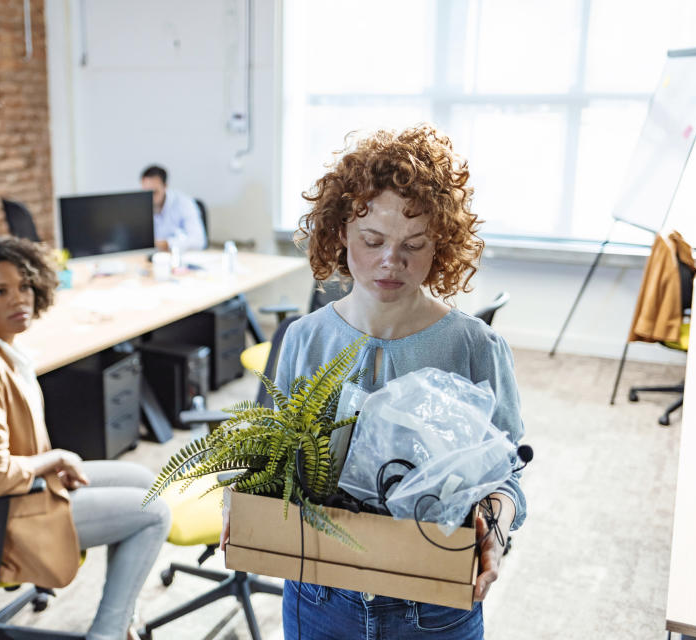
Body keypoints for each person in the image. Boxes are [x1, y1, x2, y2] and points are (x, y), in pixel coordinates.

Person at [226, 125, 527, 639]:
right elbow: (273, 455)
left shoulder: (474, 347)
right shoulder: (304, 339)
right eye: (372, 241)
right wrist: (242, 488)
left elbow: (507, 477)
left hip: (433, 603)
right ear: (340, 233)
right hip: (321, 593)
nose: (392, 261)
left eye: (414, 244)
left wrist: (494, 528)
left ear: (441, 246)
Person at [0, 235, 171, 640]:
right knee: (154, 513)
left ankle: (122, 615)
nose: (18, 299)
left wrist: (54, 462)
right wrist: (55, 459)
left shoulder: (3, 351)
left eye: (23, 286)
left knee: (147, 483)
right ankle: (108, 632)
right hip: (1, 513)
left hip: (22, 489)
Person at [140, 165, 207, 251]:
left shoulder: (184, 203)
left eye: (154, 192)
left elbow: (199, 241)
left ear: (165, 186)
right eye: (146, 192)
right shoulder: (139, 207)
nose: (150, 198)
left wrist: (166, 244)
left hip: (179, 257)